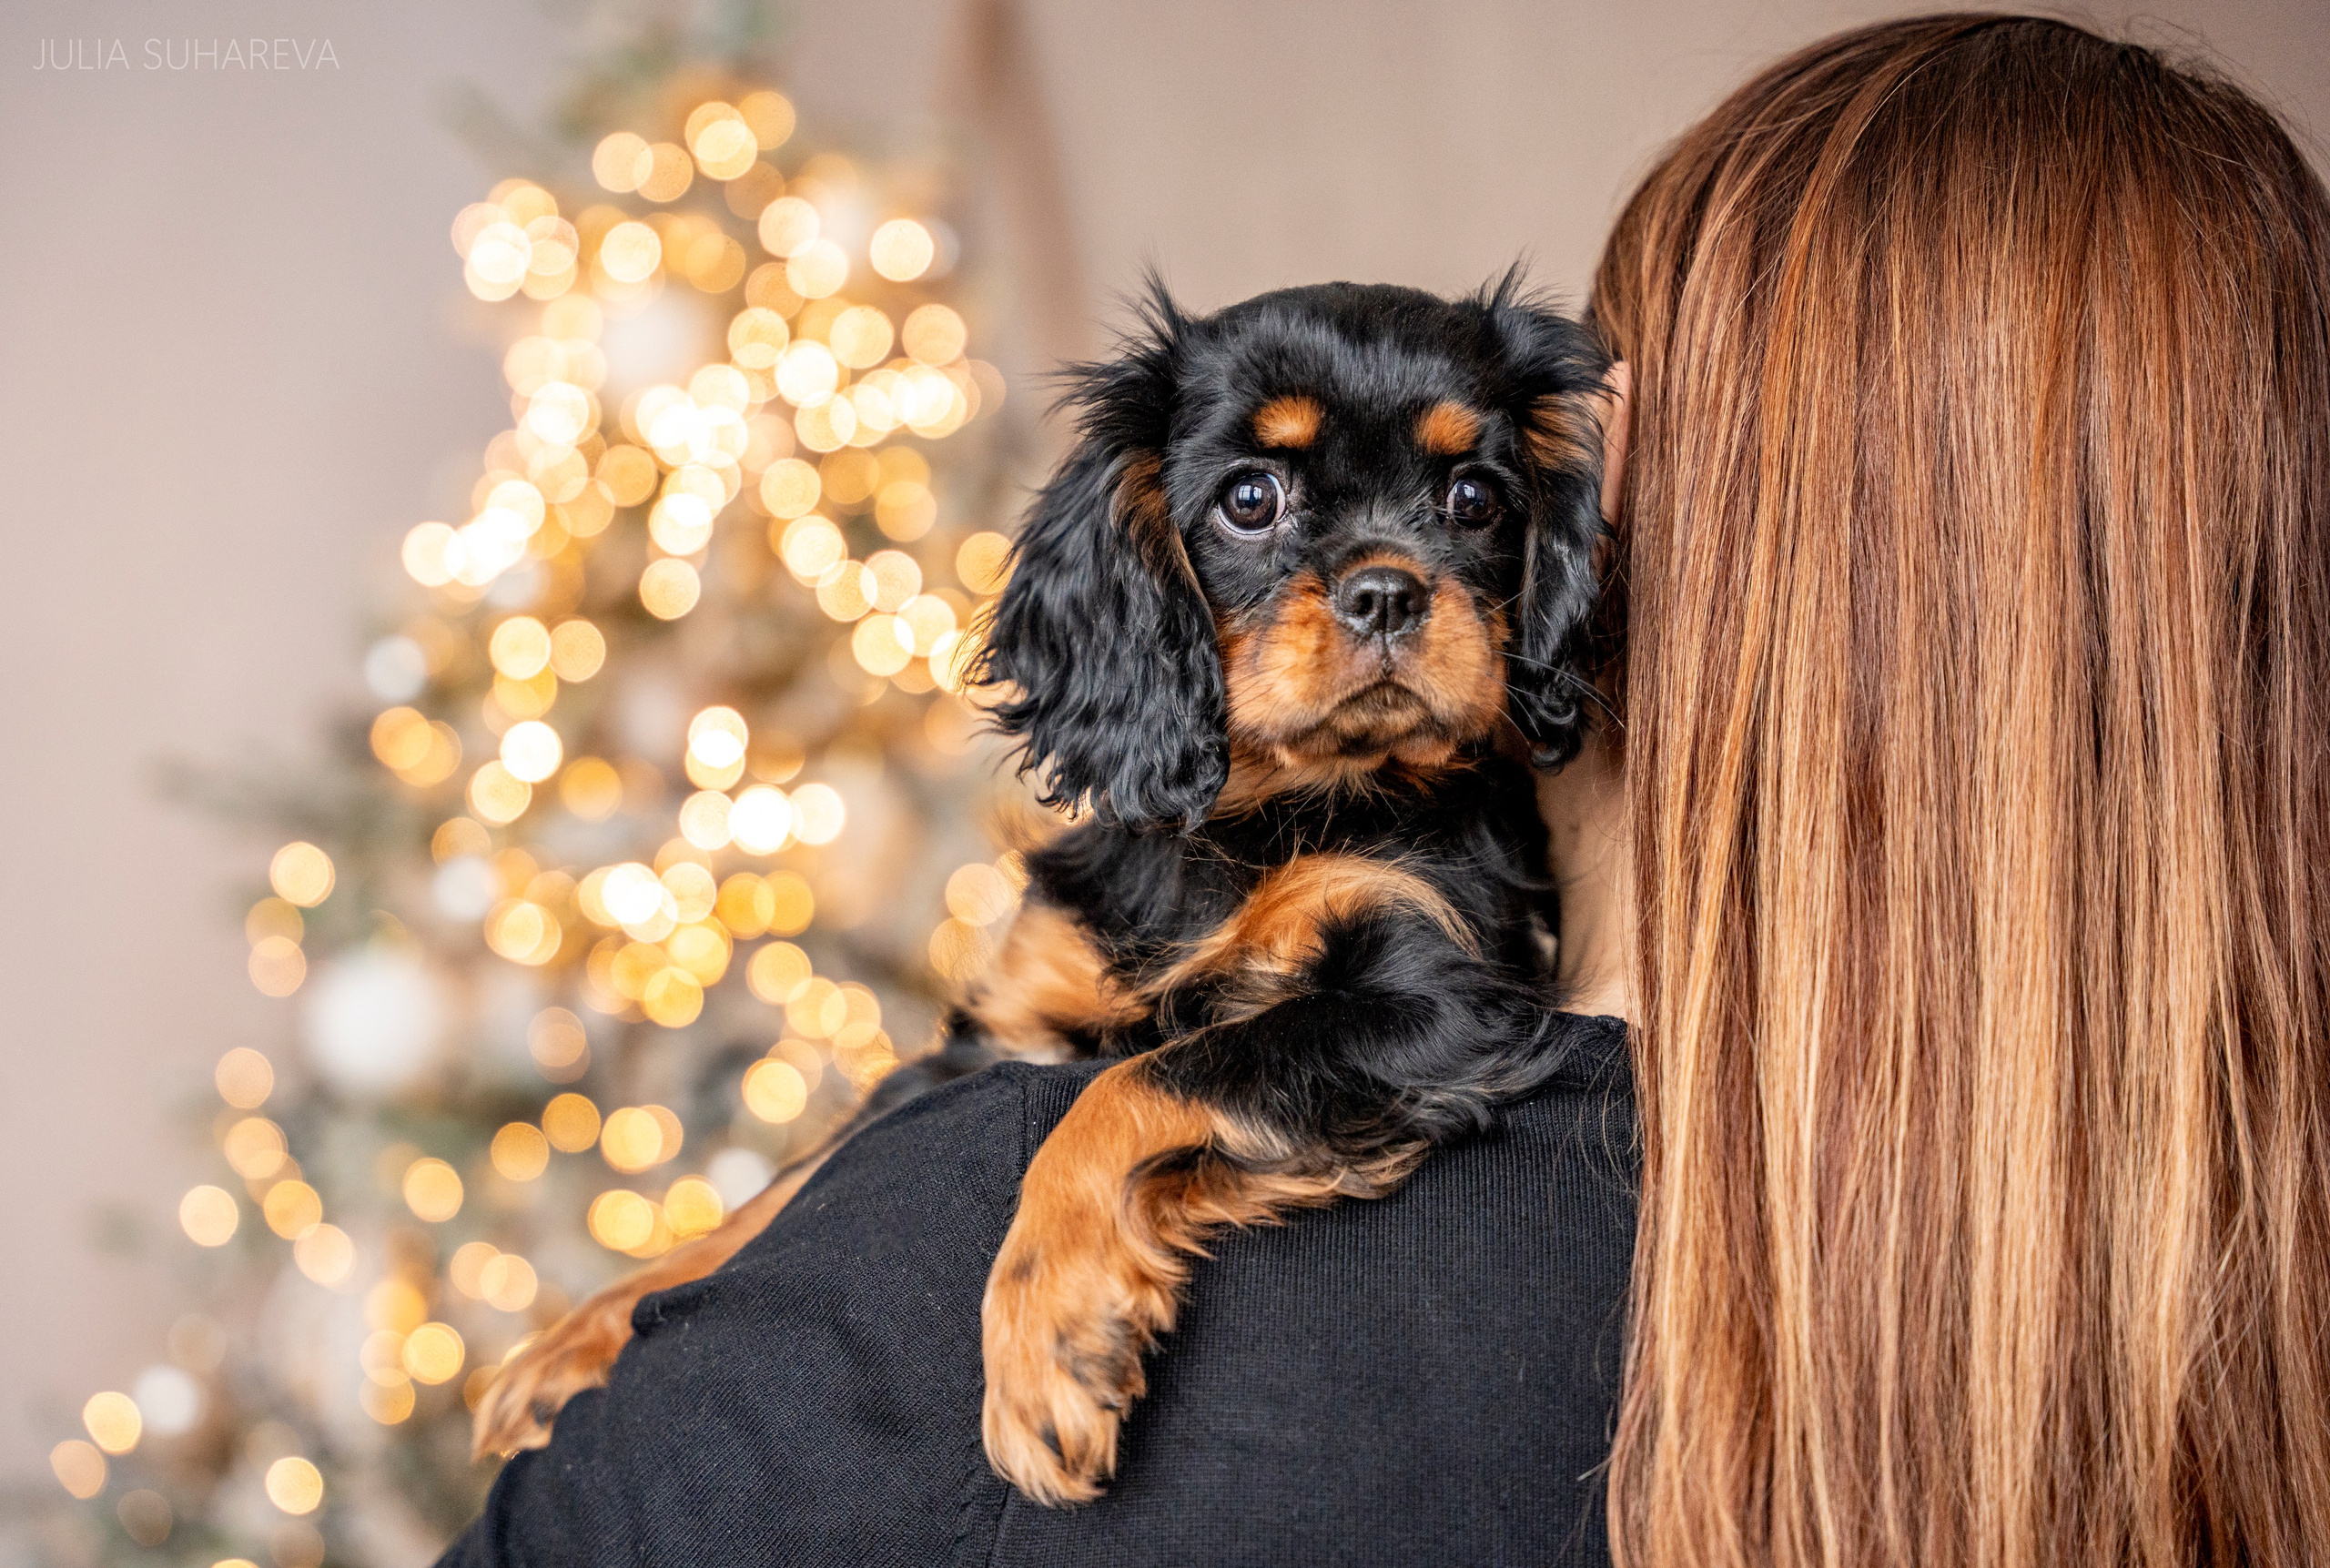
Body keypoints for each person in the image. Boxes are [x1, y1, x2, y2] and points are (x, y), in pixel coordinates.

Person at [440, 14, 2330, 1565]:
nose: (1385, 575)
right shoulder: (2255, 1316)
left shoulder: (949, 1257)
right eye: (1262, 502)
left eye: (1484, 495)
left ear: (1628, 549)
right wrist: (692, 1270)